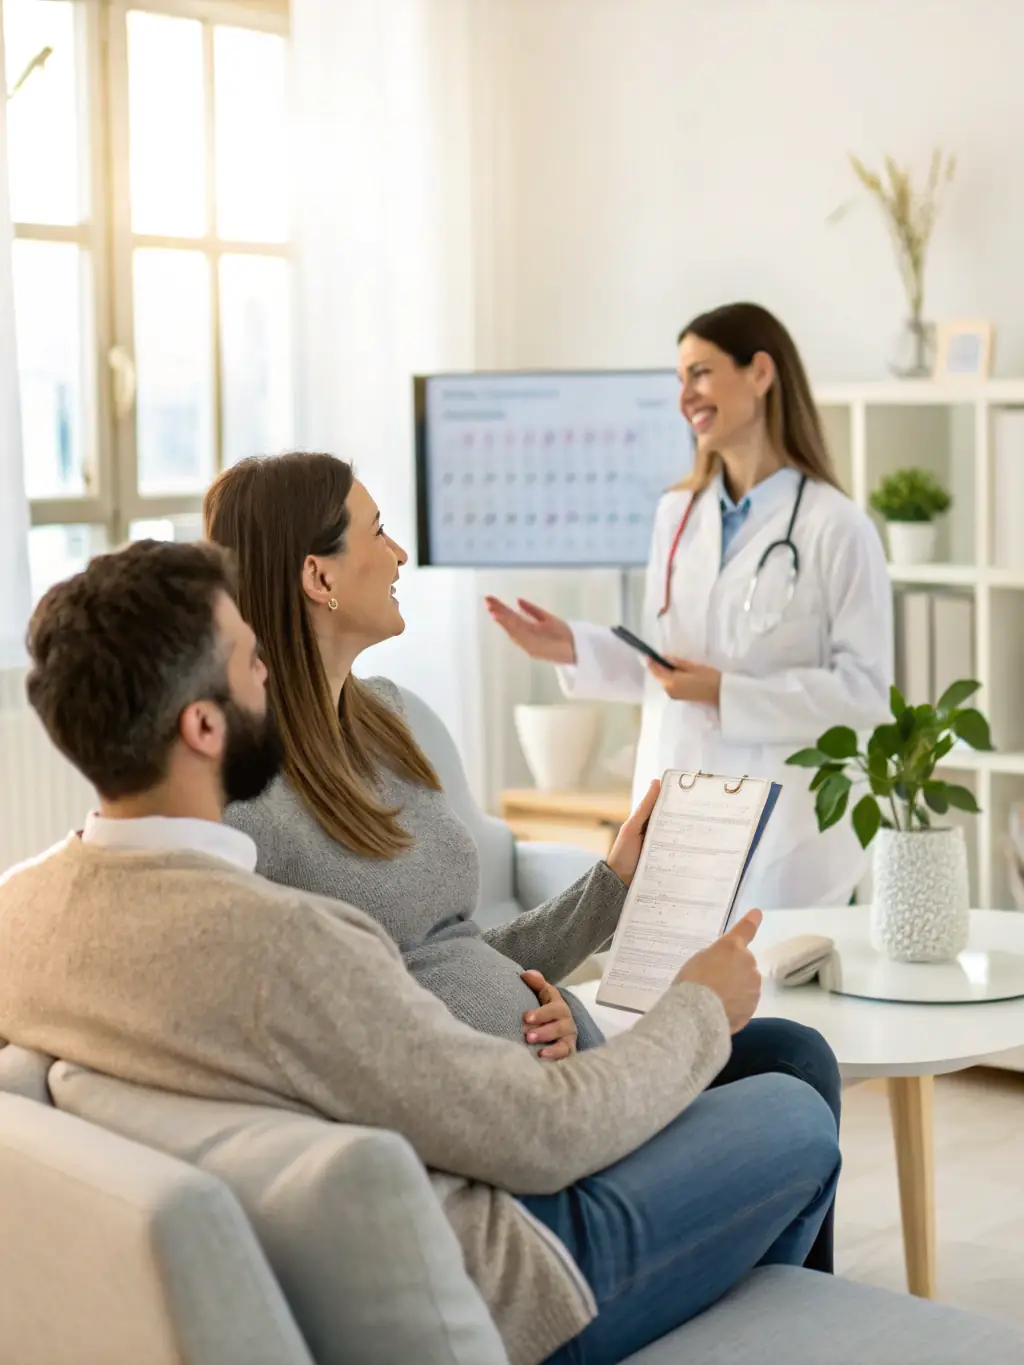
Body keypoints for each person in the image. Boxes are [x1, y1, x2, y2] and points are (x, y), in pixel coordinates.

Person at [0, 540, 840, 1365]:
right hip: (524, 1267)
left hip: (443, 1186)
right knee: (798, 1111)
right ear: (203, 723)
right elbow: (543, 1134)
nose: (268, 674)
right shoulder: (288, 940)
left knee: (782, 1063)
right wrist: (699, 1005)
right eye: (249, 659)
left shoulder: (21, 912)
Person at [206, 449, 841, 1273]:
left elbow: (454, 948)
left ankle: (754, 1314)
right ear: (318, 578)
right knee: (789, 1114)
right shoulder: (248, 798)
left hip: (555, 1067)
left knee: (795, 1056)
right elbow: (347, 1028)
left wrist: (610, 884)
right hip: (516, 1124)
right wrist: (500, 1042)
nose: (399, 554)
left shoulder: (389, 720)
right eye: (380, 531)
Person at [487, 302, 895, 913]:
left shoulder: (836, 526)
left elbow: (864, 692)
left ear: (760, 372)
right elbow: (670, 669)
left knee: (769, 1001)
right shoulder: (676, 516)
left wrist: (724, 693)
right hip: (677, 807)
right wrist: (573, 647)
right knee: (671, 1000)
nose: (685, 397)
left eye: (700, 373)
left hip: (783, 826)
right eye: (679, 380)